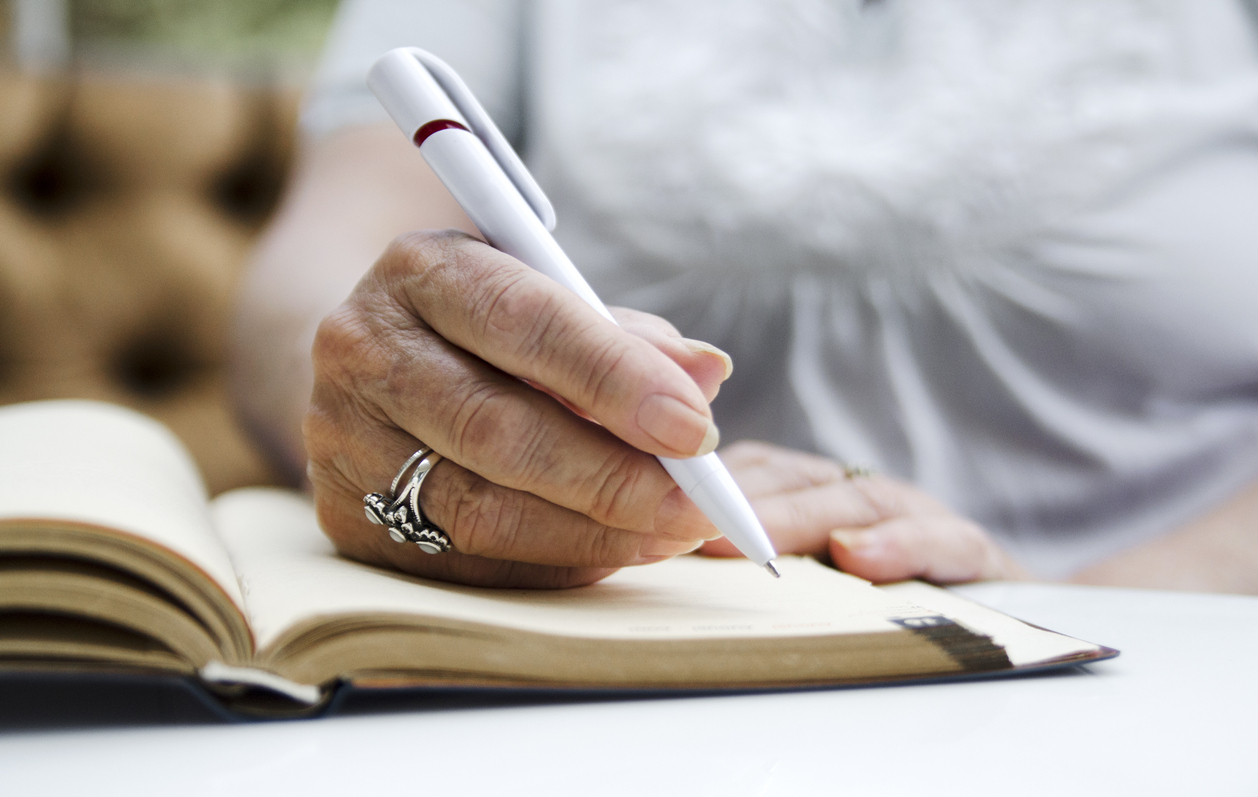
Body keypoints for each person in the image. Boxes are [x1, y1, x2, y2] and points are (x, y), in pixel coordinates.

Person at [232, 0, 1258, 592]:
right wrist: (393, 387)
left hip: (1170, 651)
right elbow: (317, 275)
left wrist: (1062, 615)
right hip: (638, 641)